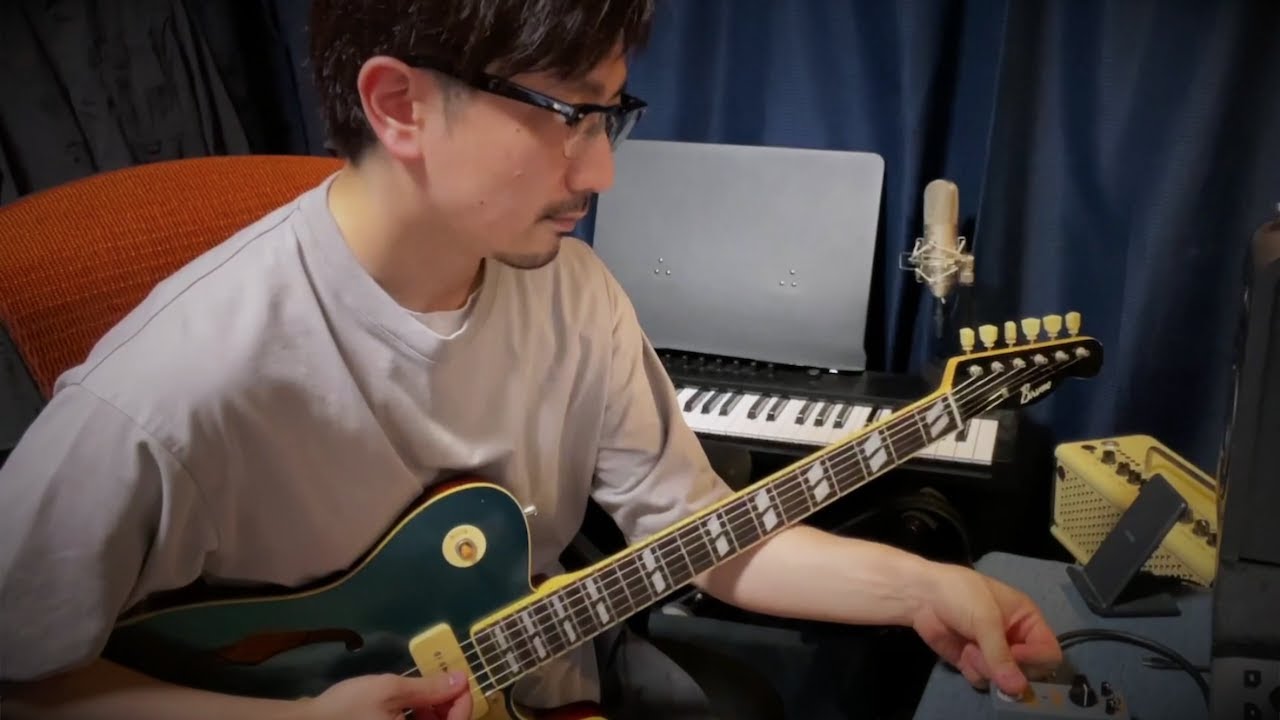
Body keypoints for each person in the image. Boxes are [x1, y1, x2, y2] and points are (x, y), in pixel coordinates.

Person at [0, 0, 1063, 718]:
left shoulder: (574, 294)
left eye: (611, 114)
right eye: (567, 114)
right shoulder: (165, 398)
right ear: (400, 105)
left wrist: (924, 587)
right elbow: (21, 678)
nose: (601, 170)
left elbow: (702, 542)